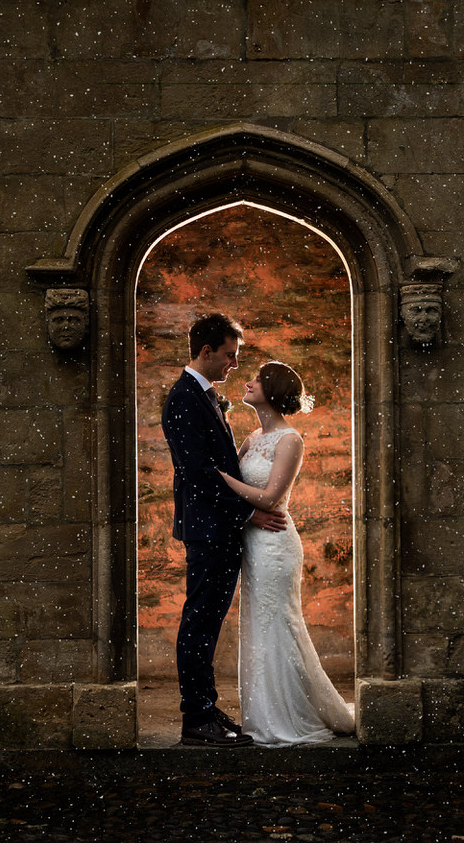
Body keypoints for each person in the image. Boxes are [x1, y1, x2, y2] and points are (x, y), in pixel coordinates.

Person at [161, 313, 287, 747]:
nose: (234, 364)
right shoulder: (183, 398)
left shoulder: (207, 397)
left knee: (207, 622)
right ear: (206, 351)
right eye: (230, 356)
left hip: (218, 527)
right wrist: (248, 514)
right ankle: (196, 718)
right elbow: (197, 471)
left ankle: (205, 706)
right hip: (208, 529)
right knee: (199, 623)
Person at [218, 361, 355, 746]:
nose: (247, 382)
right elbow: (242, 499)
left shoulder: (290, 440)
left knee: (278, 624)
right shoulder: (250, 438)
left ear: (272, 389)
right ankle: (261, 715)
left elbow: (271, 497)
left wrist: (220, 476)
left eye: (257, 379)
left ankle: (289, 716)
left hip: (276, 546)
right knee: (258, 628)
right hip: (251, 543)